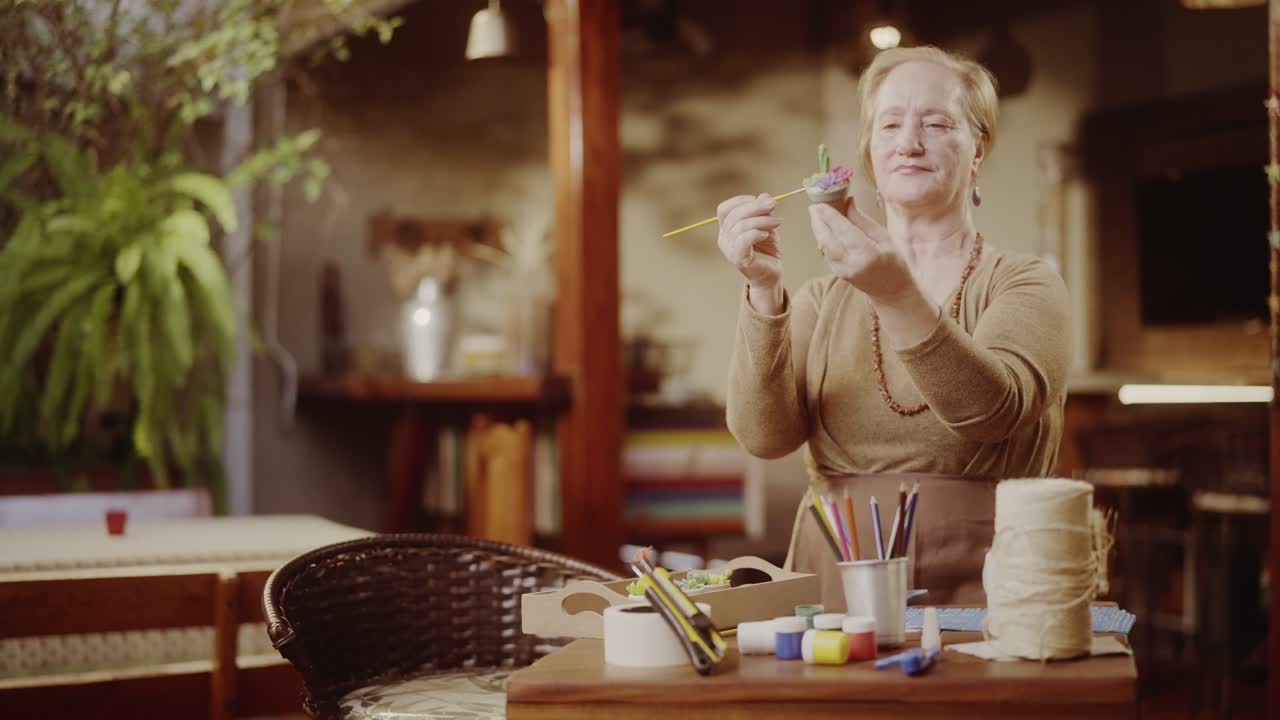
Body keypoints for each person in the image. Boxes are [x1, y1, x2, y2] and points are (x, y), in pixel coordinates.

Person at [717, 46, 1069, 608]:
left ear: (977, 148)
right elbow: (764, 438)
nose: (909, 142)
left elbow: (991, 412)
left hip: (991, 579)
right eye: (891, 125)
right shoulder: (819, 300)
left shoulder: (1025, 284)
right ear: (870, 154)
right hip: (836, 577)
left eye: (936, 123)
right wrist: (763, 291)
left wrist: (893, 291)